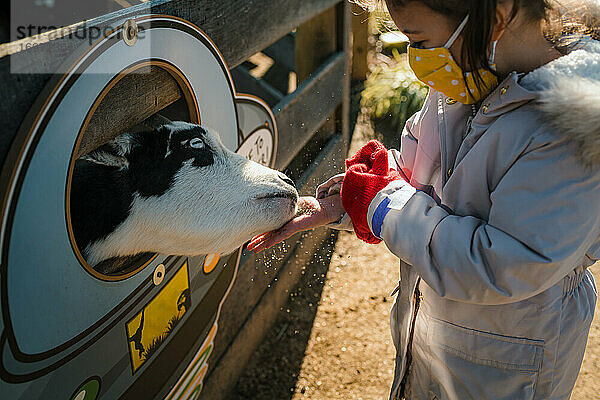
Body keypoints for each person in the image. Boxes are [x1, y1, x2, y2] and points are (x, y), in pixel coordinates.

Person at [248, 0, 600, 398]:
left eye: (421, 40)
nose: (419, 59)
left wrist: (381, 203)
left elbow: (500, 264)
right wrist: (357, 198)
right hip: (438, 336)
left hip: (505, 366)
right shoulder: (467, 78)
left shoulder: (571, 131)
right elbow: (419, 184)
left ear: (496, 18)